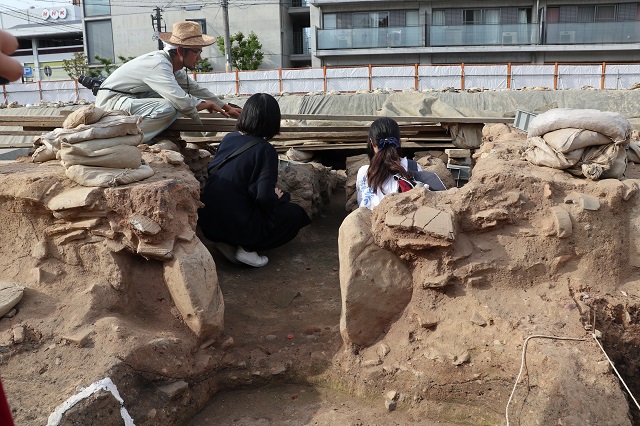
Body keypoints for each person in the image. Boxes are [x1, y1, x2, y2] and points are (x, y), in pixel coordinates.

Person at [198, 93, 311, 267]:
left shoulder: (229, 138)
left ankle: (228, 242)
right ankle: (248, 249)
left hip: (208, 223)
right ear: (272, 121)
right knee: (295, 213)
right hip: (235, 222)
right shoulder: (265, 150)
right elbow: (263, 197)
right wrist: (278, 197)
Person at [95, 21, 242, 143]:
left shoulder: (172, 66)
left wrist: (225, 106)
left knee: (178, 101)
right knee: (171, 107)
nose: (199, 58)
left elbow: (196, 89)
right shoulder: (159, 65)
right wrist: (204, 104)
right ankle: (127, 141)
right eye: (196, 52)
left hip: (129, 99)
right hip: (111, 102)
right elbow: (180, 99)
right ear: (180, 51)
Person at [356, 116, 424, 210]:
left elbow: (361, 206)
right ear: (399, 141)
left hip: (371, 223)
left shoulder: (364, 173)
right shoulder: (414, 167)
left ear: (372, 142)